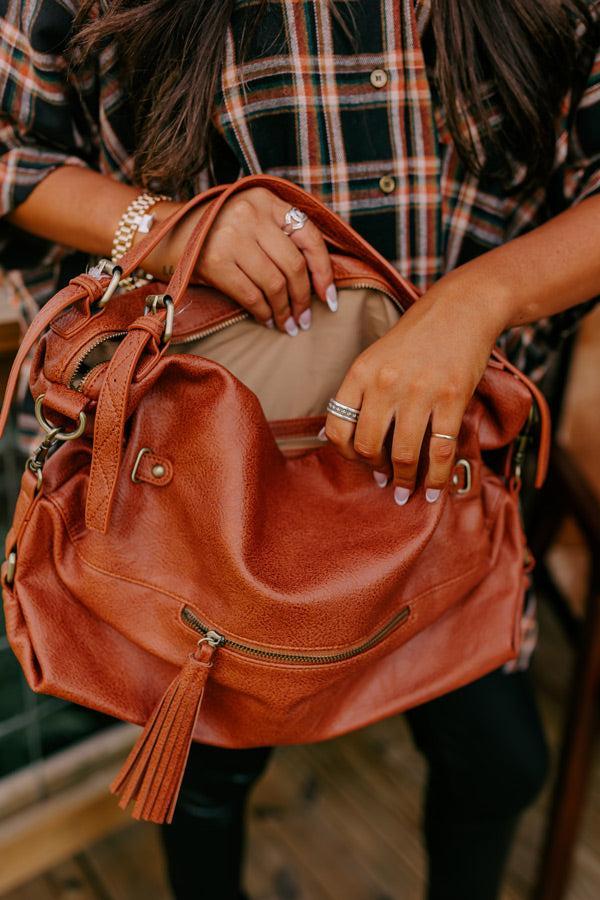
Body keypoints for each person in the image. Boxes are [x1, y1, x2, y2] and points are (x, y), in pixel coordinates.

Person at [1, 1, 599, 897]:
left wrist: (479, 301)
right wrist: (162, 229)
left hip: (447, 469)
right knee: (208, 771)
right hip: (201, 490)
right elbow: (14, 148)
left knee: (498, 760)